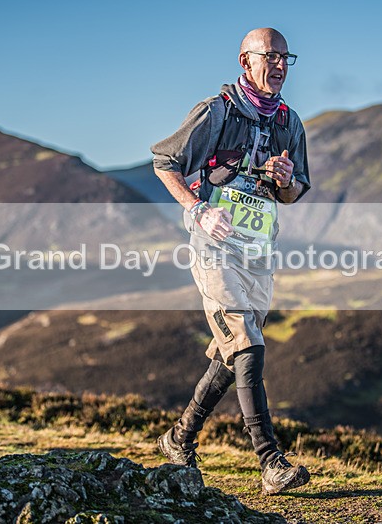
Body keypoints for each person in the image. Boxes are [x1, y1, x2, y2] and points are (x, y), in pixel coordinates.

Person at [151, 28, 311, 495]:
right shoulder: (215, 112)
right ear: (245, 61)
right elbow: (164, 161)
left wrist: (284, 180)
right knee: (247, 342)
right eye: (270, 56)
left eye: (286, 57)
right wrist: (198, 209)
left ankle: (179, 438)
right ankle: (270, 462)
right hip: (214, 247)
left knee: (234, 350)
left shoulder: (290, 123)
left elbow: (295, 190)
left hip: (258, 249)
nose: (280, 65)